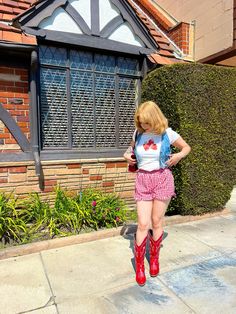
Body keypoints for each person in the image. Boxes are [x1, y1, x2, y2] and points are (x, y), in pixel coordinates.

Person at [124, 101, 191, 286]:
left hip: (162, 178)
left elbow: (186, 148)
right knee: (143, 223)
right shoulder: (138, 133)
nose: (143, 125)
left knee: (156, 221)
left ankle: (154, 259)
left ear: (154, 118)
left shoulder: (167, 133)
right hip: (143, 180)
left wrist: (177, 156)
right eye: (141, 122)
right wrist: (126, 156)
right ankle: (139, 266)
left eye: (146, 122)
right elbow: (130, 151)